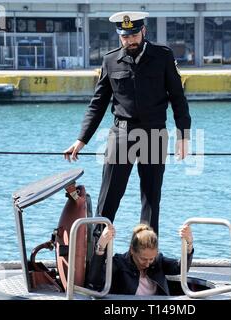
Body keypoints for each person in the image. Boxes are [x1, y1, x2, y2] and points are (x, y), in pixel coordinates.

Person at [63, 11, 191, 235]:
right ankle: (96, 258)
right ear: (119, 36)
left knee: (151, 200)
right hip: (121, 135)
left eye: (133, 35)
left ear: (143, 31)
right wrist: (81, 139)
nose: (129, 41)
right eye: (124, 37)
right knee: (109, 197)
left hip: (154, 135)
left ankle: (146, 261)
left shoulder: (163, 56)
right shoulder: (110, 60)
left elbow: (178, 98)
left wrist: (183, 135)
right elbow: (97, 104)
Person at [86, 223, 194, 295]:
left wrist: (189, 244)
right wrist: (101, 246)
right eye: (143, 259)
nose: (147, 264)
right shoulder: (120, 263)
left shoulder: (158, 261)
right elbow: (95, 280)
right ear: (132, 250)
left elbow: (180, 268)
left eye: (151, 259)